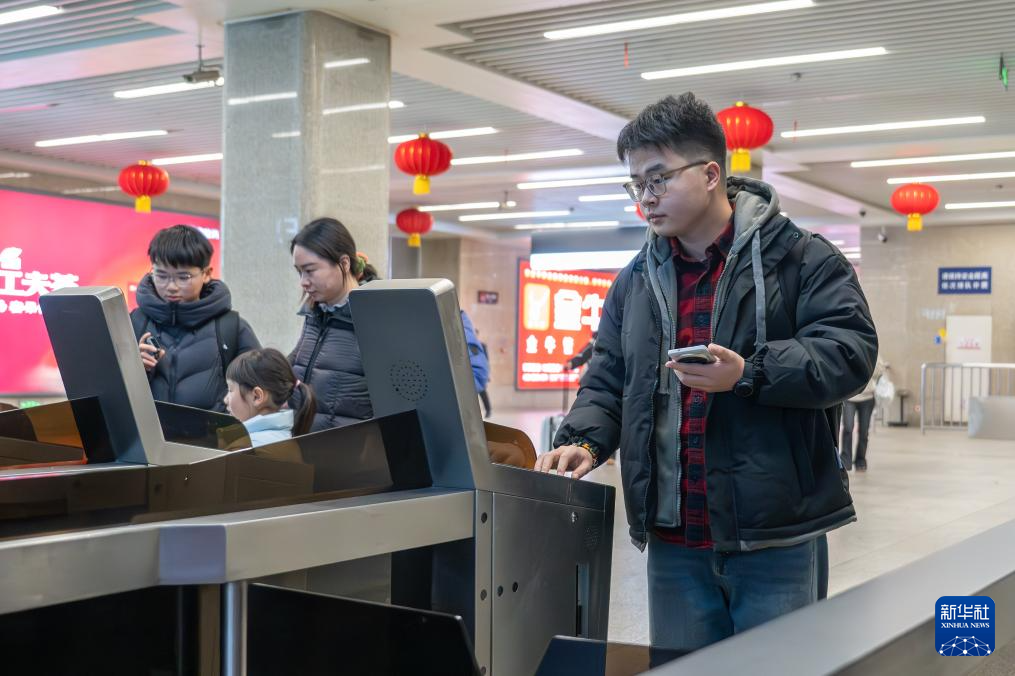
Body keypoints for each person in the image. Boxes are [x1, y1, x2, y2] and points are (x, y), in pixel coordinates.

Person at [533, 93, 878, 652]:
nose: (646, 197)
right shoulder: (636, 281)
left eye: (658, 178)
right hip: (674, 537)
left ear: (711, 173)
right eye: (636, 185)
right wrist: (584, 439)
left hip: (773, 535)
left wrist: (749, 373)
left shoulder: (802, 259)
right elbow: (608, 377)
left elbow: (849, 353)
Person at [133, 225, 260, 413]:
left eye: (183, 277)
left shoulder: (231, 328)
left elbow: (258, 392)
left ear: (206, 274)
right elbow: (107, 390)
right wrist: (134, 369)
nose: (171, 286)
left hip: (213, 432)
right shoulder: (133, 323)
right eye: (161, 275)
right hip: (146, 431)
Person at [289, 218, 378, 432]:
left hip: (349, 447)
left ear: (344, 264)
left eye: (310, 270)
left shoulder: (375, 319)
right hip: (305, 442)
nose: (303, 282)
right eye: (299, 272)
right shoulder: (315, 314)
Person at [223, 348, 316, 447]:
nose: (225, 399)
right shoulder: (283, 438)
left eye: (230, 390)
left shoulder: (245, 447)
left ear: (257, 396)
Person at [841, 356, 887, 471]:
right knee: (848, 428)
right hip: (849, 396)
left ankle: (860, 460)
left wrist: (869, 362)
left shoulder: (871, 350)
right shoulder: (848, 349)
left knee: (864, 431)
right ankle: (846, 460)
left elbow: (879, 371)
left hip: (867, 397)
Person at [462, 312, 492, 418]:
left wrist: (487, 374)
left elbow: (485, 360)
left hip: (479, 372)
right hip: (472, 372)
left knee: (482, 392)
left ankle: (488, 410)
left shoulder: (481, 345)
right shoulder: (467, 342)